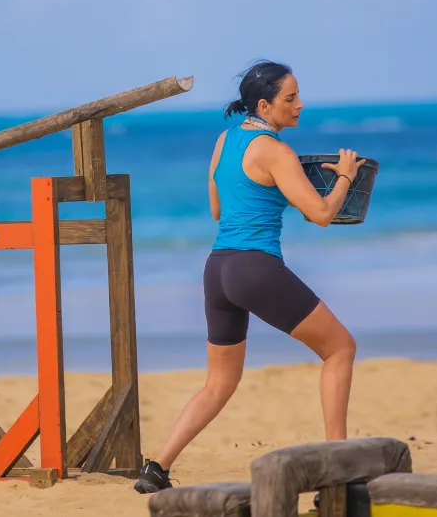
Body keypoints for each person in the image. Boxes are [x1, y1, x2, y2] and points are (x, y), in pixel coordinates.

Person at [134, 60, 365, 494]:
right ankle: (339, 462)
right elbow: (320, 215)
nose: (300, 105)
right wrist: (346, 178)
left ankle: (157, 469)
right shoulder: (275, 151)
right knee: (340, 349)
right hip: (254, 269)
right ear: (264, 103)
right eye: (290, 98)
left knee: (219, 382)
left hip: (218, 269)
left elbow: (218, 211)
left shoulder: (225, 140)